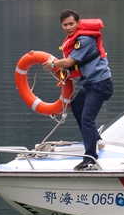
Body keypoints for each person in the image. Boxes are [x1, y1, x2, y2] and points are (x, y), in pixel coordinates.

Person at [45, 10, 113, 171]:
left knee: (87, 118)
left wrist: (53, 64)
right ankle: (95, 139)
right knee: (77, 107)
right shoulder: (73, 39)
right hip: (90, 85)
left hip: (100, 84)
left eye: (71, 24)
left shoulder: (84, 39)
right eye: (65, 25)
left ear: (78, 23)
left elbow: (69, 62)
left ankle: (90, 158)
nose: (68, 27)